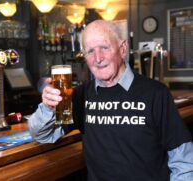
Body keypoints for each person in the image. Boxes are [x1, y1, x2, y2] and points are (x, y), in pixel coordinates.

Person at [29, 19, 193, 181]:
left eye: (104, 48)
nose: (98, 58)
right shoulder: (81, 95)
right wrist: (48, 108)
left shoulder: (156, 93)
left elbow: (184, 160)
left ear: (122, 49)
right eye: (90, 51)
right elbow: (43, 135)